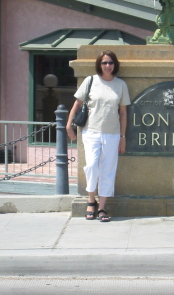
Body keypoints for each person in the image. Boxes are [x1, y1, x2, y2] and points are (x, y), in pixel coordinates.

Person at [66, 50, 130, 222]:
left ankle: (102, 208)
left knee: (108, 169)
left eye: (110, 63)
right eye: (104, 63)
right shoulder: (91, 81)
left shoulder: (121, 85)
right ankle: (91, 201)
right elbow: (77, 103)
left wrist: (122, 137)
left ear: (115, 65)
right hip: (91, 131)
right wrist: (68, 124)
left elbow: (123, 113)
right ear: (99, 65)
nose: (107, 66)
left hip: (112, 134)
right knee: (92, 165)